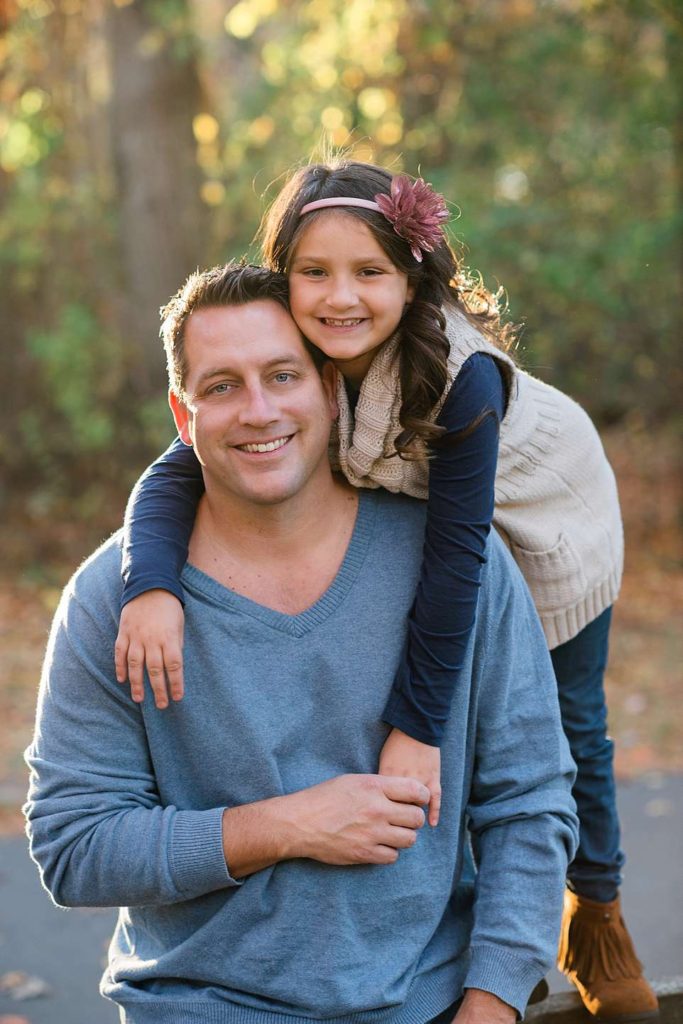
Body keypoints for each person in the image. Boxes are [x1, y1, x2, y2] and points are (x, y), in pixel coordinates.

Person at [116, 162, 655, 1022]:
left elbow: (452, 570)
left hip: (550, 515)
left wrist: (415, 726)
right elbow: (175, 465)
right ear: (282, 273)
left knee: (564, 721)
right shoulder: (286, 366)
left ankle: (594, 908)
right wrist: (150, 585)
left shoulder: (463, 378)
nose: (340, 297)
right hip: (443, 512)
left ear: (413, 278)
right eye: (314, 273)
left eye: (369, 273)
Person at [25, 262, 578, 1024]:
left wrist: (491, 1004)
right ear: (183, 419)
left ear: (328, 389)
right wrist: (288, 825)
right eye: (221, 386)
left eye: (281, 375)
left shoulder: (453, 565)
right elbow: (75, 846)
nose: (258, 410)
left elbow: (528, 799)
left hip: (429, 1002)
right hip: (199, 1007)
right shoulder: (111, 602)